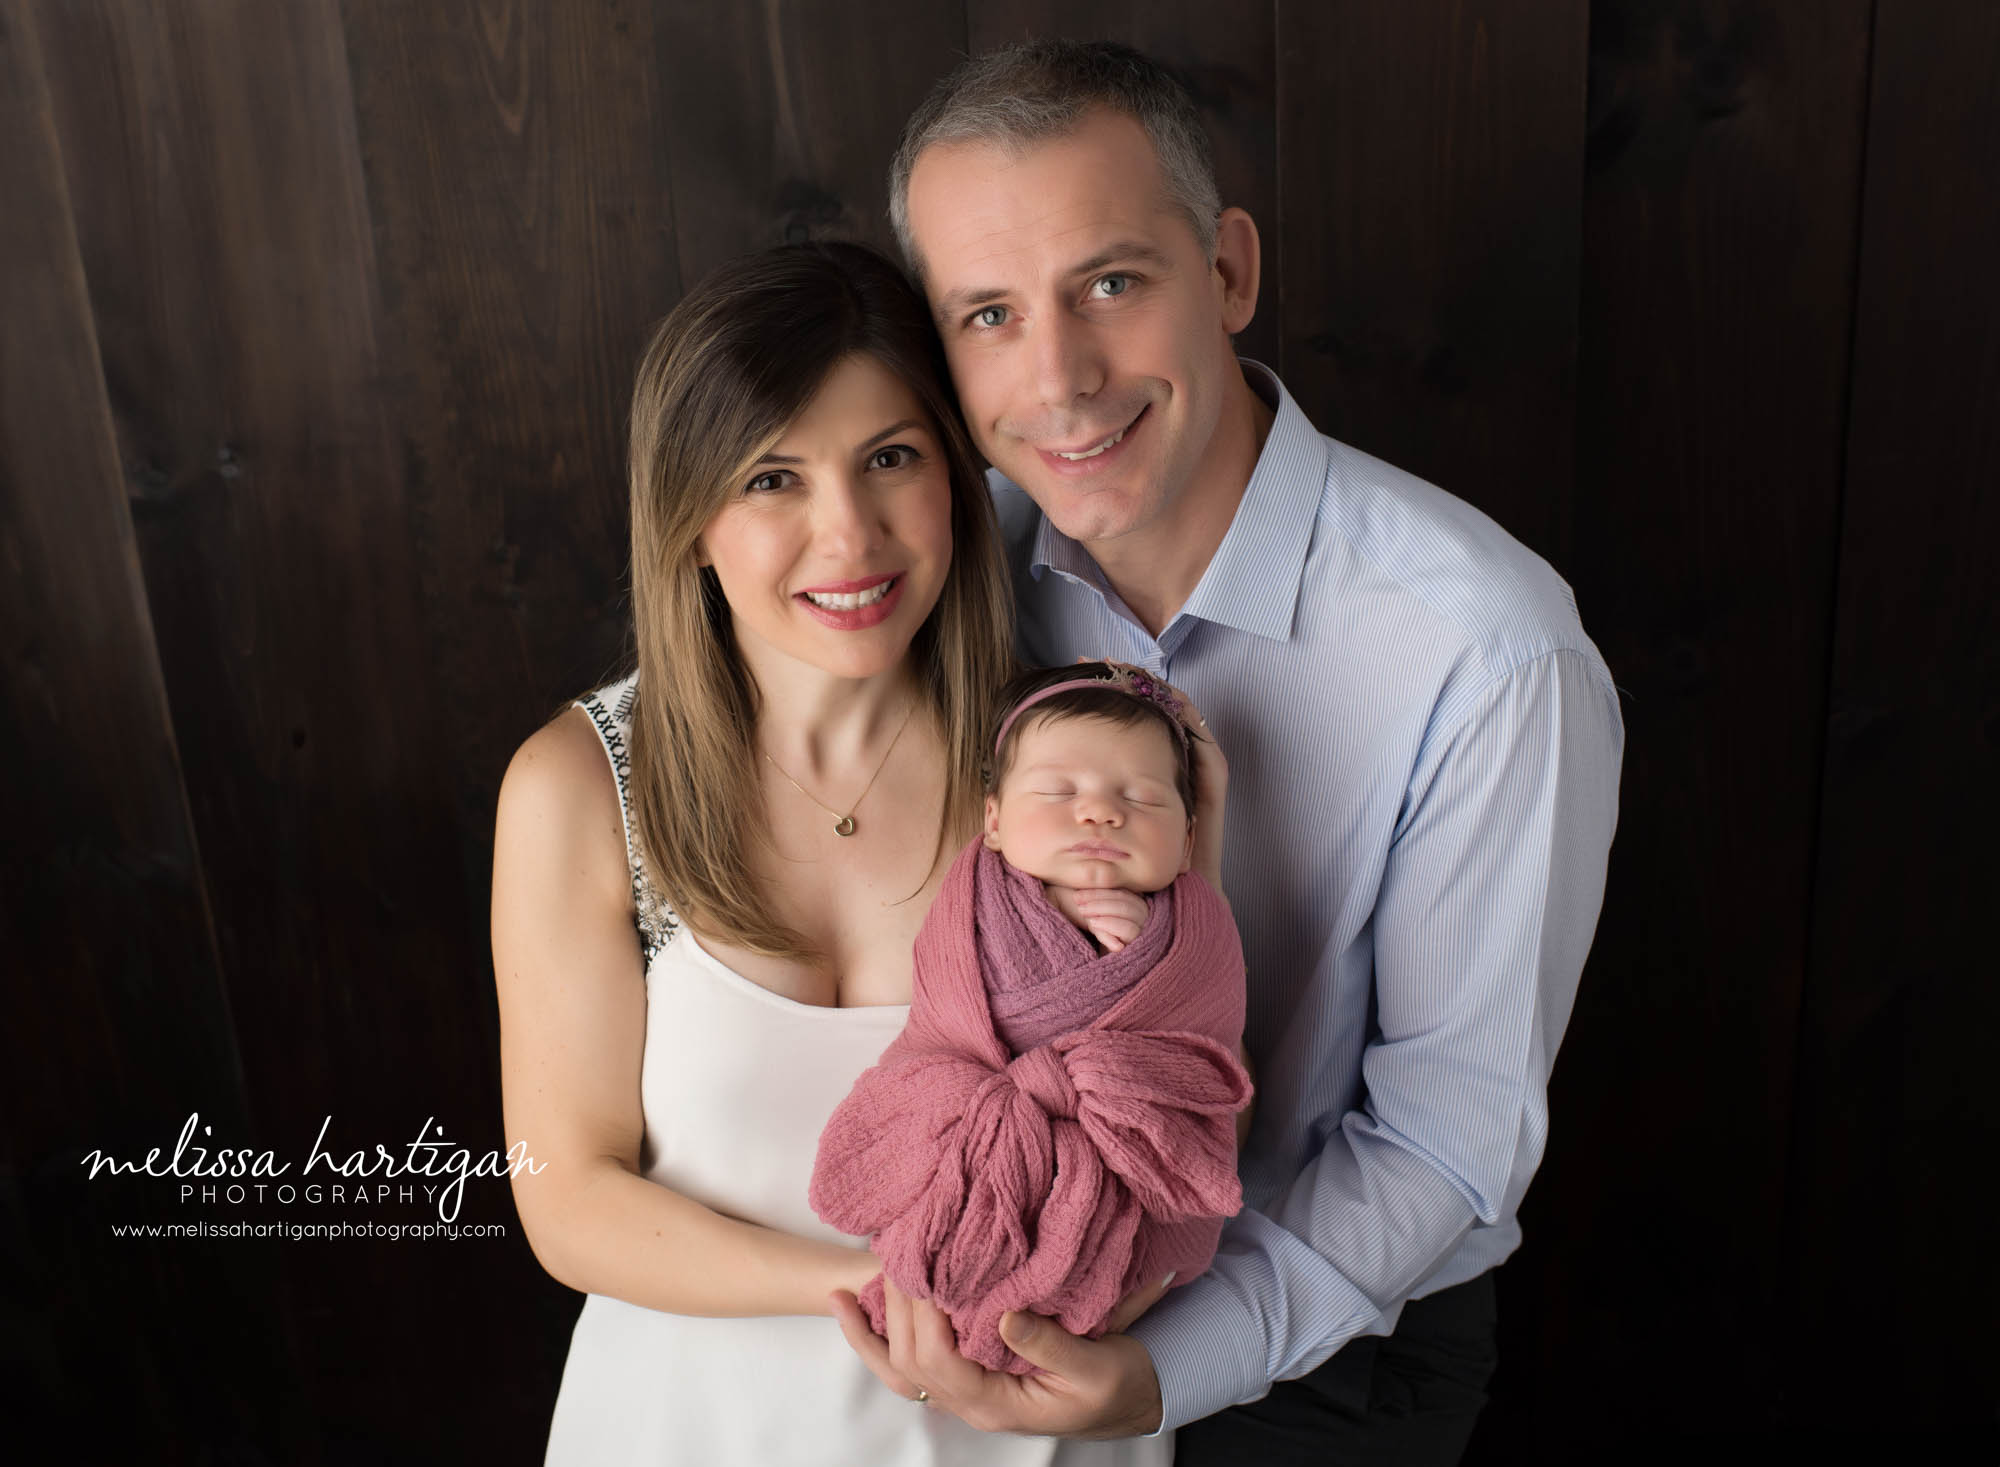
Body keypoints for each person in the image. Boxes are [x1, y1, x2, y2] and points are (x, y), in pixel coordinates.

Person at [831, 40, 1626, 1464]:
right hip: (988, 1284)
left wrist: (1164, 1368)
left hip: (1318, 1353)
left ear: (1232, 272)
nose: (1060, 378)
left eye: (1112, 284)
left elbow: (1447, 1138)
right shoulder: (953, 578)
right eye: (990, 315)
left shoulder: (1488, 653)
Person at [490, 241, 1166, 1464]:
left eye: (890, 460)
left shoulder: (1070, 764)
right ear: (689, 524)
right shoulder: (580, 789)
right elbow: (569, 1199)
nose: (846, 534)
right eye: (770, 480)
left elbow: (1176, 1115)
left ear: (956, 482)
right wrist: (875, 1286)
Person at [809, 662, 1252, 1378]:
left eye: (1141, 797)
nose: (1101, 813)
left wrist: (1144, 952)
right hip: (975, 1125)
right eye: (1058, 791)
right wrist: (1063, 928)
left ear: (1190, 836)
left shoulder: (1195, 928)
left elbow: (1205, 1062)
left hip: (1119, 1176)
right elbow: (941, 1027)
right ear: (992, 819)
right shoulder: (971, 903)